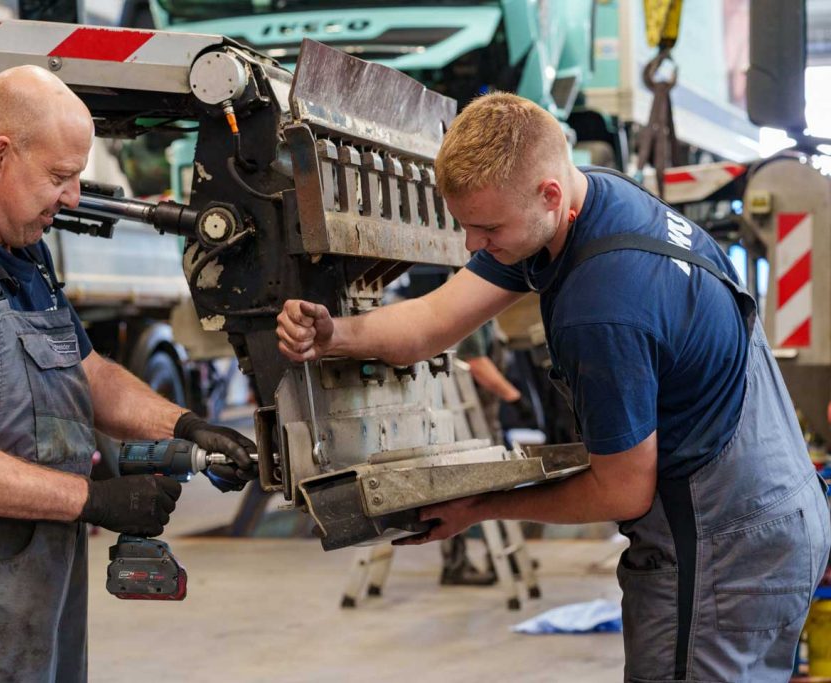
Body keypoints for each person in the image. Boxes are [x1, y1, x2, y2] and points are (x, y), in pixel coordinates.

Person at [276, 92, 831, 681]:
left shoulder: (602, 305)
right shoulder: (585, 203)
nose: (471, 245)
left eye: (486, 228)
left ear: (548, 195)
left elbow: (622, 492)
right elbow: (431, 323)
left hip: (723, 547)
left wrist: (479, 507)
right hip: (776, 510)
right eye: (464, 226)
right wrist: (333, 334)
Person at [0, 65, 256, 683]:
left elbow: (85, 370)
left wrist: (188, 425)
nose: (71, 198)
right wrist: (95, 499)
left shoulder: (21, 254)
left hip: (32, 572)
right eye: (60, 177)